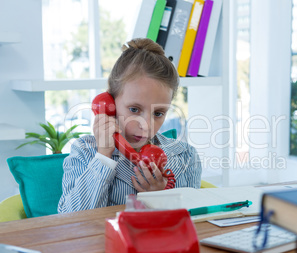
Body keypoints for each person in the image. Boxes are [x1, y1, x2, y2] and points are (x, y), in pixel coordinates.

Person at [58, 38, 202, 213]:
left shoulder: (186, 156)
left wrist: (160, 198)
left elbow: (194, 222)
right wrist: (103, 157)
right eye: (134, 109)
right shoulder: (85, 151)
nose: (146, 126)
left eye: (158, 113)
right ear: (109, 102)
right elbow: (70, 221)